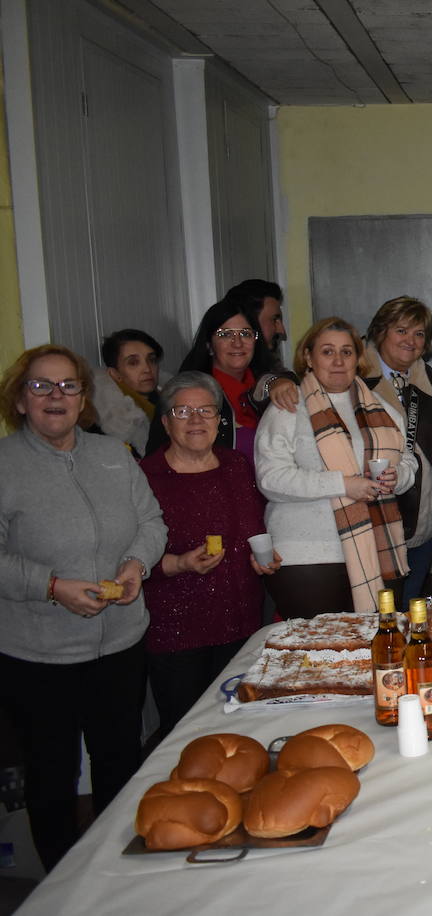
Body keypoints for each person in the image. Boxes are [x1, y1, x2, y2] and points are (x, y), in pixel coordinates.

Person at [0, 345, 166, 871]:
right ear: (20, 400)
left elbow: (152, 522)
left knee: (120, 760)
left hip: (119, 644)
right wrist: (51, 586)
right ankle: (60, 885)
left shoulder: (113, 453)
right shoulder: (4, 466)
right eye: (41, 386)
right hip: (37, 655)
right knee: (52, 775)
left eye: (69, 385)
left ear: (83, 398)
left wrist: (137, 565)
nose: (57, 396)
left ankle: (119, 873)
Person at [140, 371, 281, 736]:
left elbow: (254, 527)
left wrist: (263, 554)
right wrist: (178, 563)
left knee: (241, 725)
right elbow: (127, 553)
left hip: (241, 622)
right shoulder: (145, 475)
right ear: (166, 421)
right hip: (176, 629)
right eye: (184, 411)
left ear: (220, 420)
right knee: (185, 733)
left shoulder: (235, 465)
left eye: (206, 411)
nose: (197, 420)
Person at [255, 317, 416, 617]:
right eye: (327, 352)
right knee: (317, 655)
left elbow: (407, 459)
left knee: (374, 647)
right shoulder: (289, 408)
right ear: (308, 357)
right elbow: (271, 479)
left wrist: (400, 477)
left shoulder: (383, 408)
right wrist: (343, 485)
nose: (338, 360)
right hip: (307, 559)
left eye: (347, 351)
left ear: (358, 357)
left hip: (378, 552)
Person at [363, 297, 432, 601]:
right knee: (380, 609)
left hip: (426, 521)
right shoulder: (354, 379)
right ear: (380, 331)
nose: (410, 341)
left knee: (411, 606)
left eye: (419, 334)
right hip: (377, 518)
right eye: (401, 330)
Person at [149, 297, 277, 460]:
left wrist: (279, 381)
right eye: (225, 334)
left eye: (245, 334)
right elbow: (157, 459)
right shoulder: (183, 394)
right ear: (209, 345)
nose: (237, 343)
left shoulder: (271, 388)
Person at [91, 328, 163, 457]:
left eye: (151, 360)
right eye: (133, 363)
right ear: (115, 374)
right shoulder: (109, 423)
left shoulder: (170, 402)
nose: (147, 369)